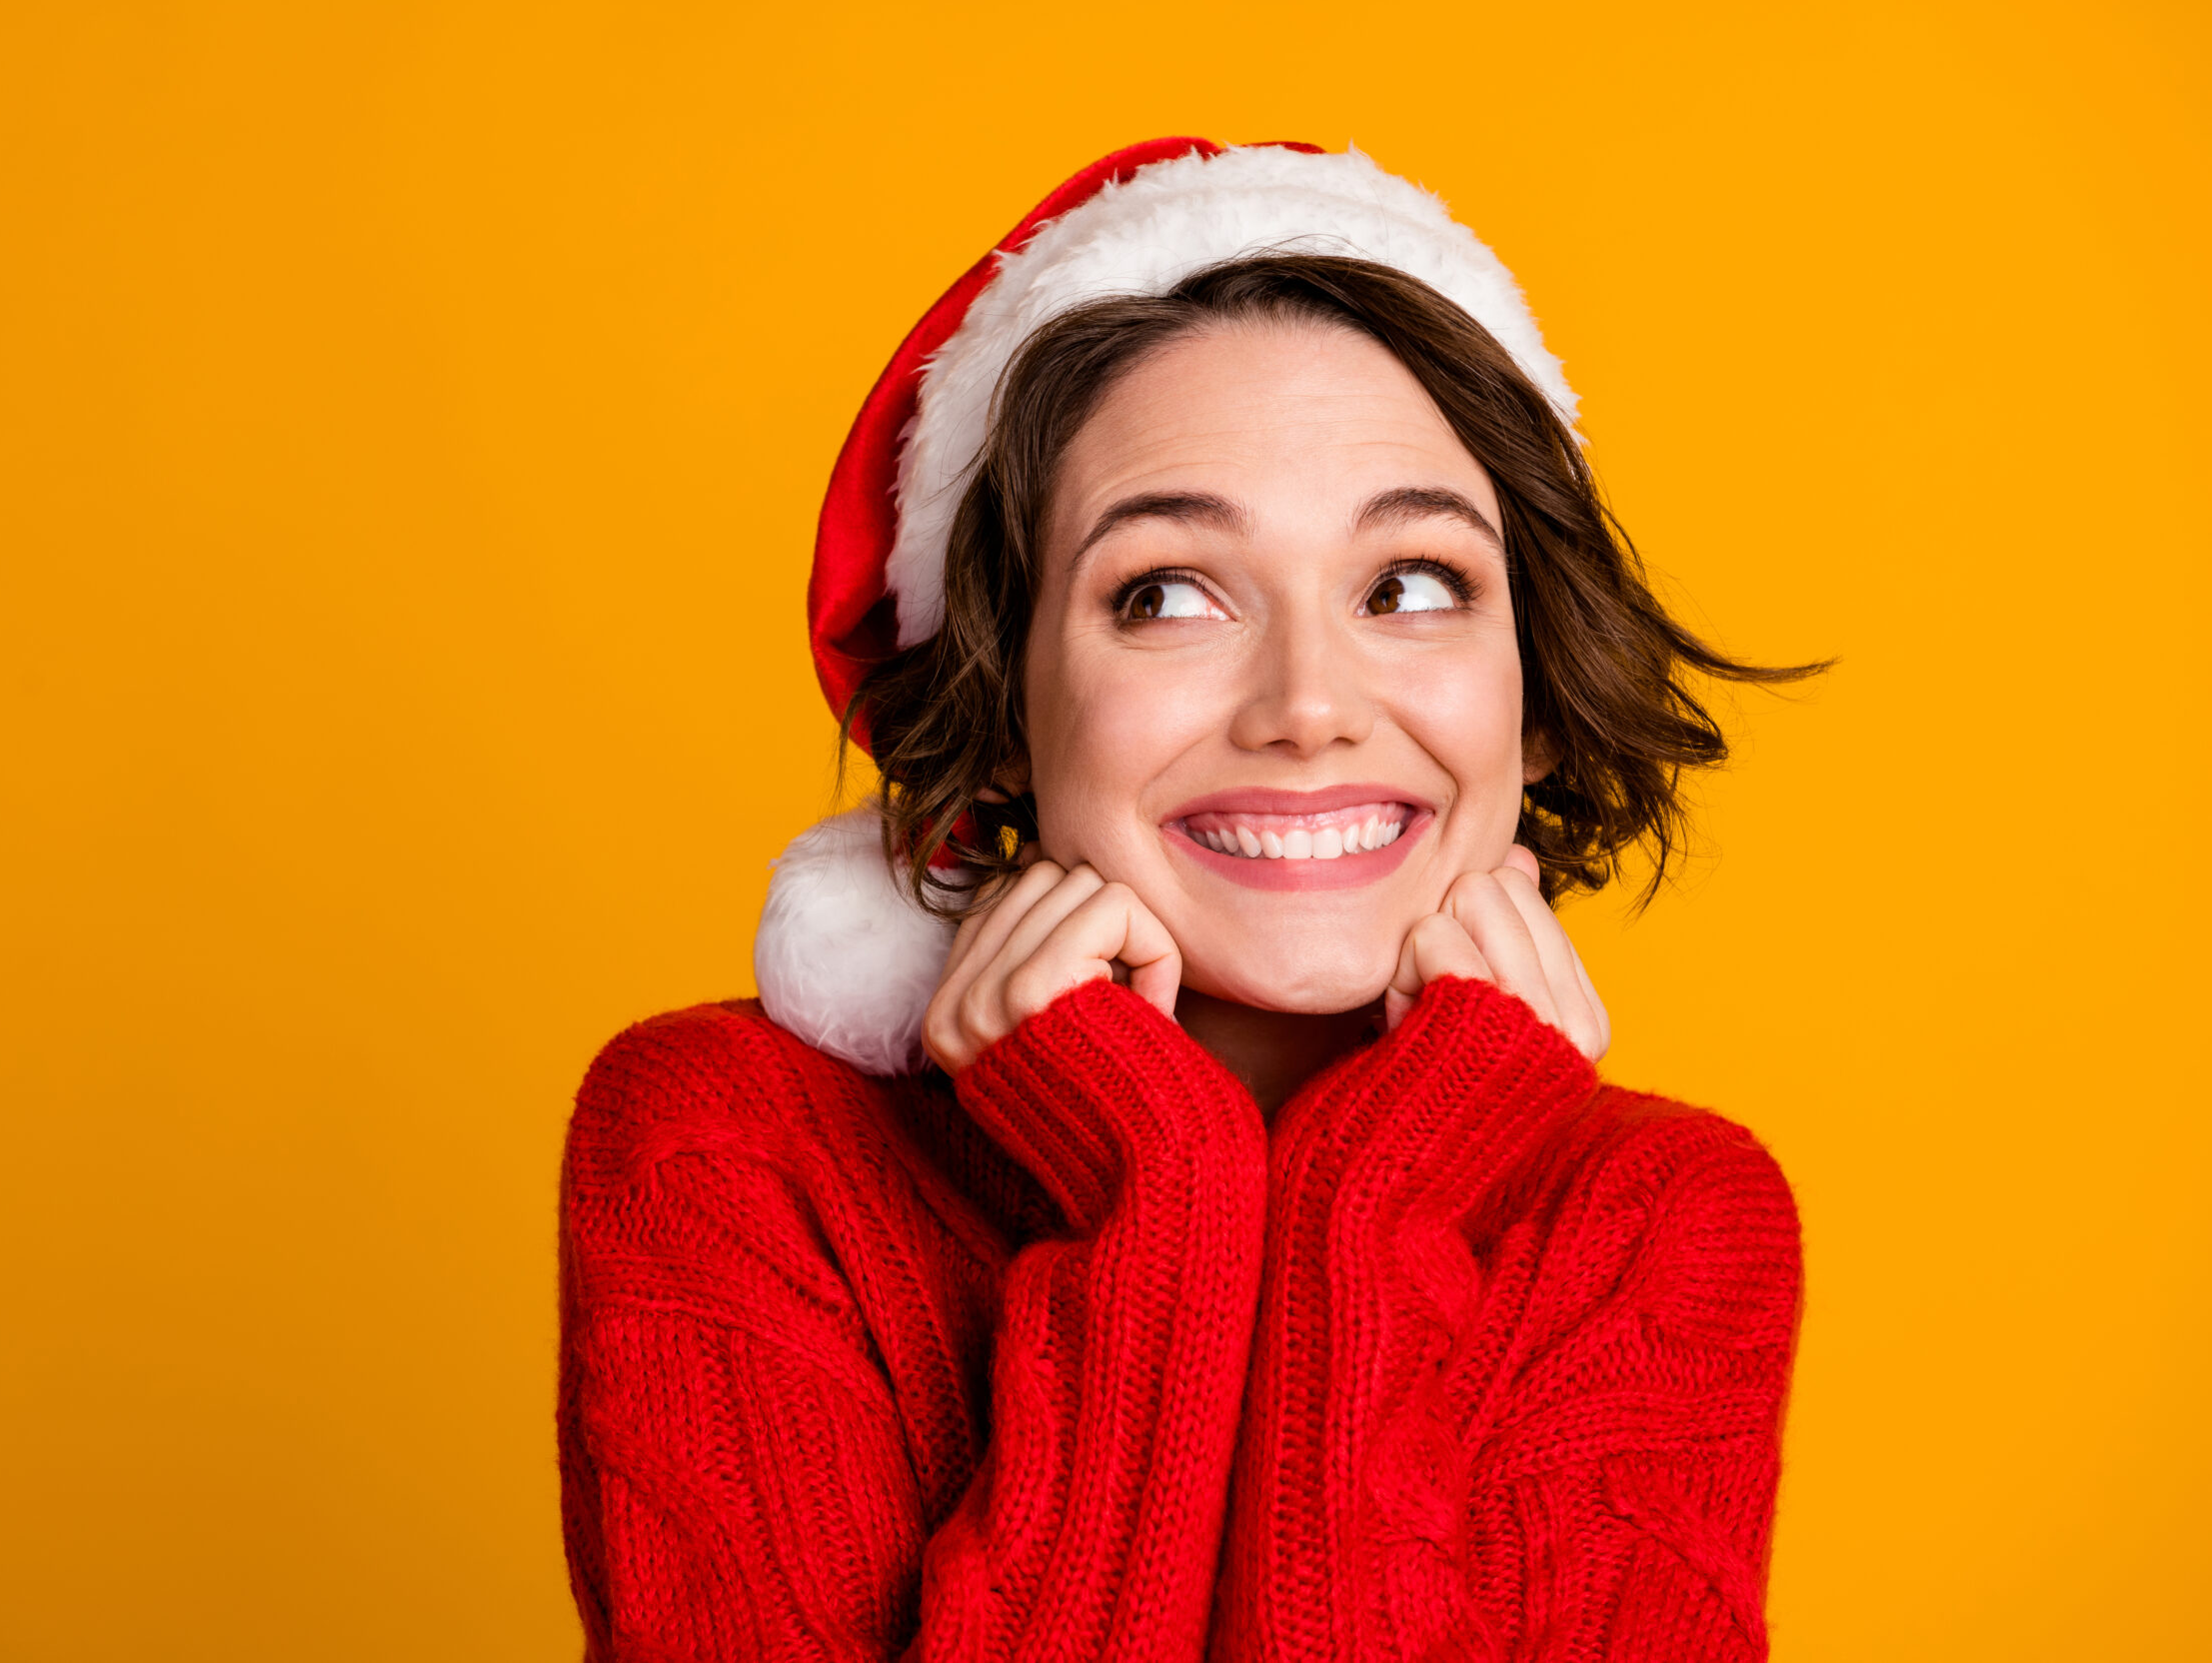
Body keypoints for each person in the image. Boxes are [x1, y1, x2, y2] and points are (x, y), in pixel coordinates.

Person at [558, 138, 1816, 1660]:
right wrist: (1163, 1193)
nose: (1308, 706)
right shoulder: (730, 1149)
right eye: (1165, 593)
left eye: (1410, 584)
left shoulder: (1658, 1223)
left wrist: (1373, 1202)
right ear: (1005, 701)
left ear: (1538, 690)